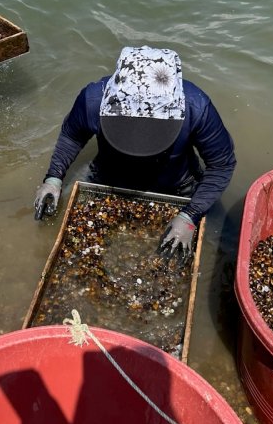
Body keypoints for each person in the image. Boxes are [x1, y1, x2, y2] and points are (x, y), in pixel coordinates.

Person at [34, 46, 237, 263]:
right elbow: (72, 136)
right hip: (107, 177)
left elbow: (221, 164)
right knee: (56, 226)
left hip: (177, 183)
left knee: (224, 243)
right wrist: (54, 178)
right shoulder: (93, 99)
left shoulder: (196, 106)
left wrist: (190, 215)